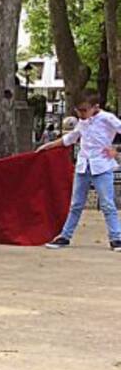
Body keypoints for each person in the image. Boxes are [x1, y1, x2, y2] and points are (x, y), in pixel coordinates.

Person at [40, 91, 121, 251]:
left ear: (95, 107)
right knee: (76, 204)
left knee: (107, 204)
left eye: (84, 110)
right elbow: (71, 137)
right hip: (84, 165)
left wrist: (117, 149)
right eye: (79, 111)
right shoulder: (82, 122)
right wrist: (48, 146)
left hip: (102, 165)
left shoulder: (108, 119)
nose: (81, 114)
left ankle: (116, 237)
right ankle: (65, 235)